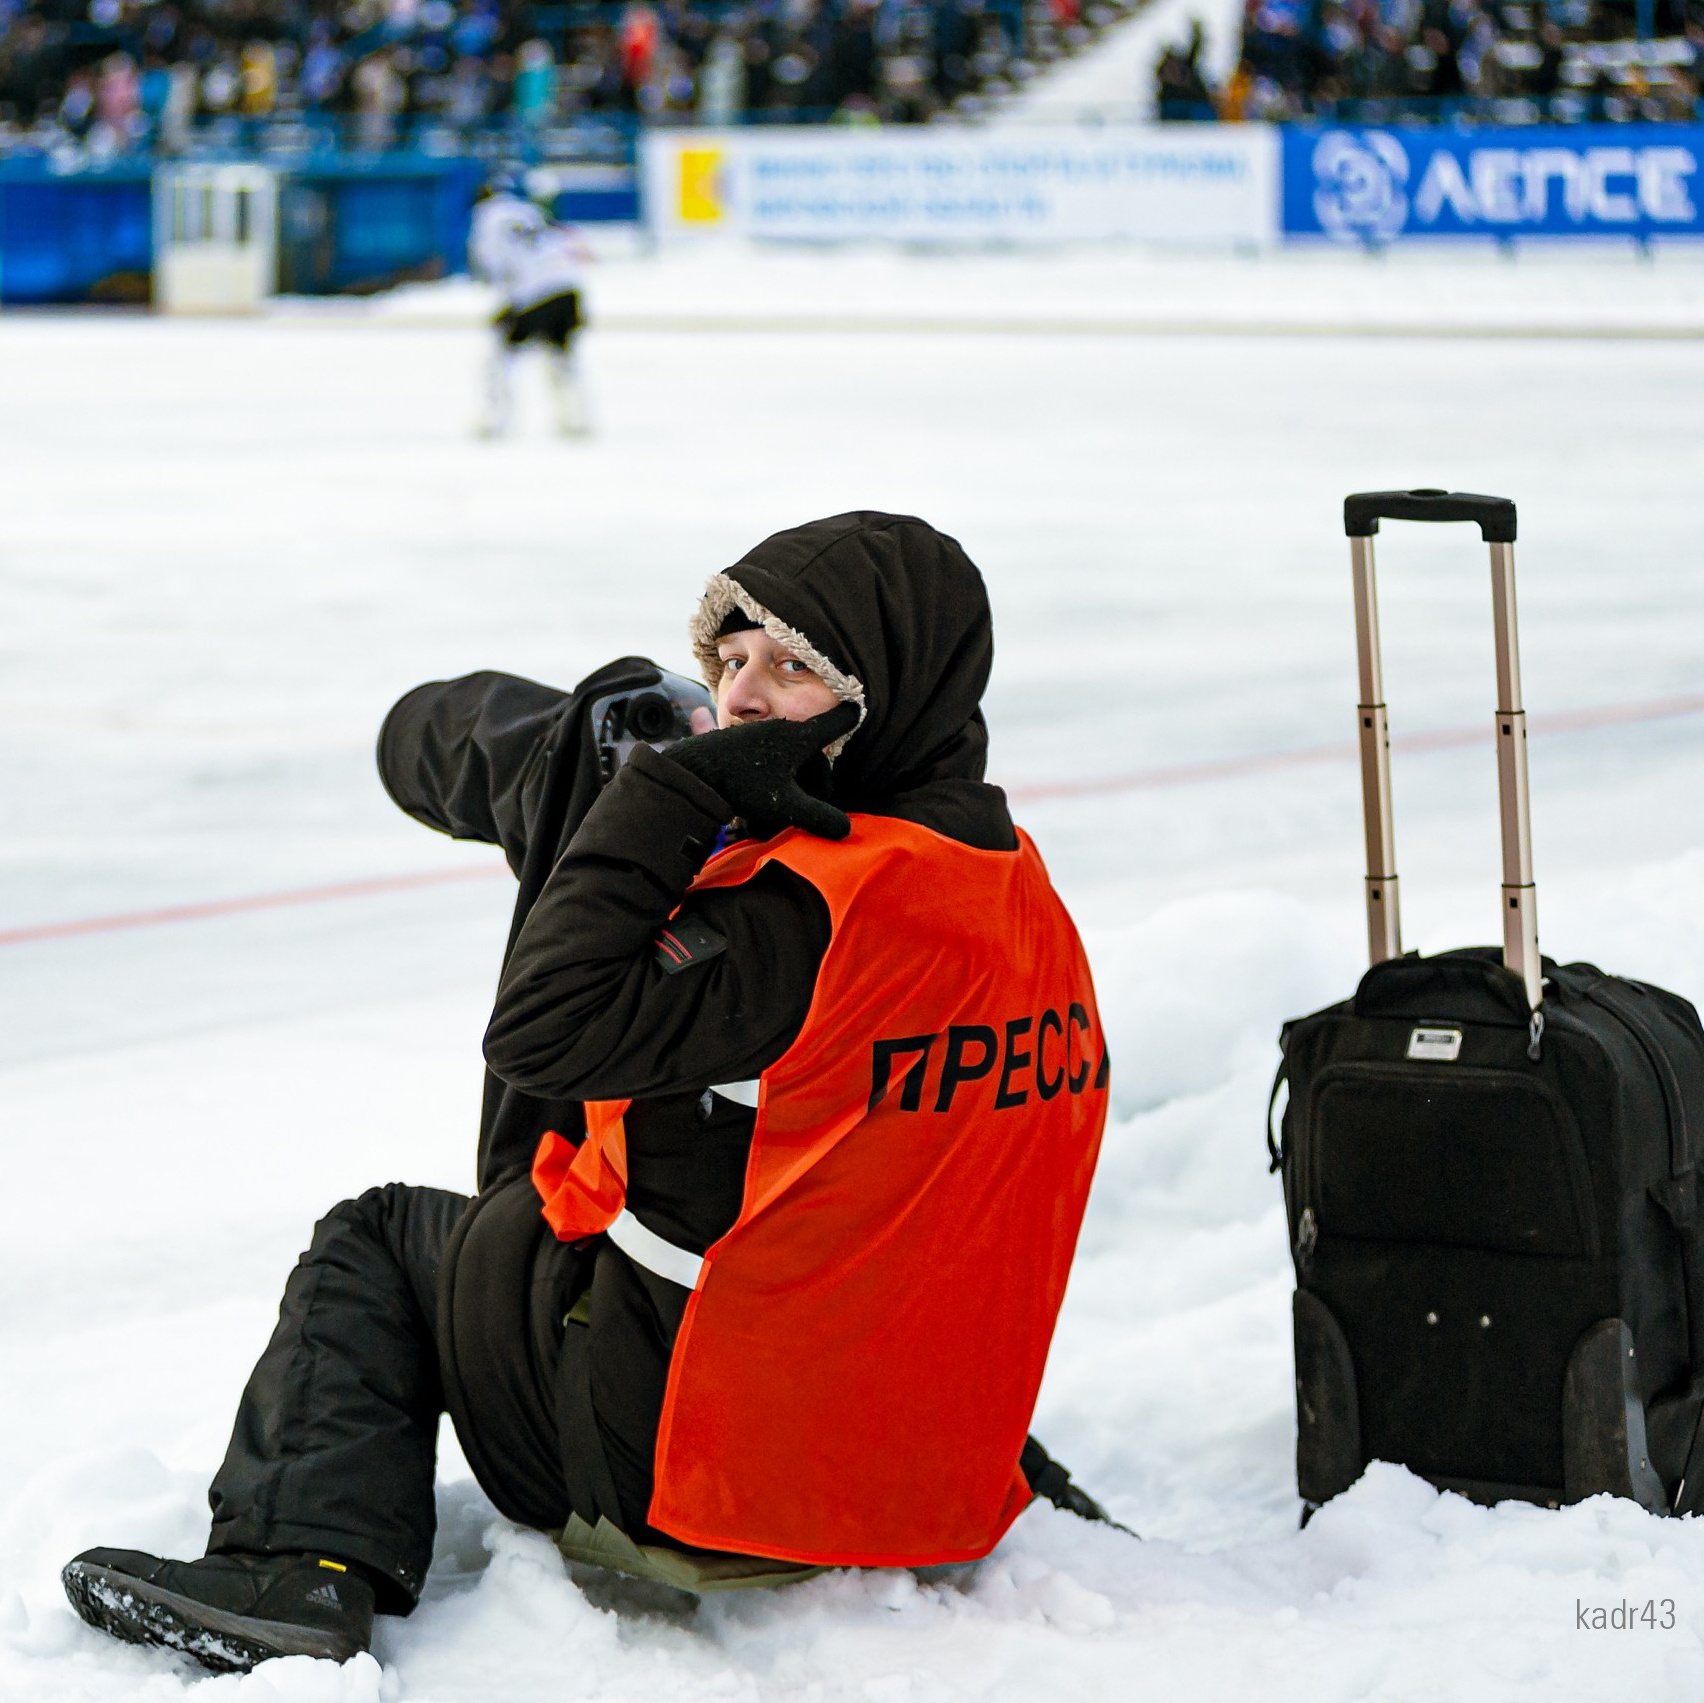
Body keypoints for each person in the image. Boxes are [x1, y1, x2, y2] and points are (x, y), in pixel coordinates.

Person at [61, 513, 1116, 1673]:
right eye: (731, 659)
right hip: (927, 1481)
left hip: (687, 1486)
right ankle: (992, 1465)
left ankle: (293, 1563)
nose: (744, 696)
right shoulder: (1011, 891)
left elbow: (538, 1034)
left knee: (382, 1235)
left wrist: (656, 796)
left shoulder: (799, 914)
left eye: (795, 665)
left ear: (889, 688)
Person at [468, 176, 592, 439]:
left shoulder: (486, 218)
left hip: (533, 292)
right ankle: (575, 418)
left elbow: (493, 265)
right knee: (560, 353)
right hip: (568, 286)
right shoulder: (528, 210)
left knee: (502, 356)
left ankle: (495, 419)